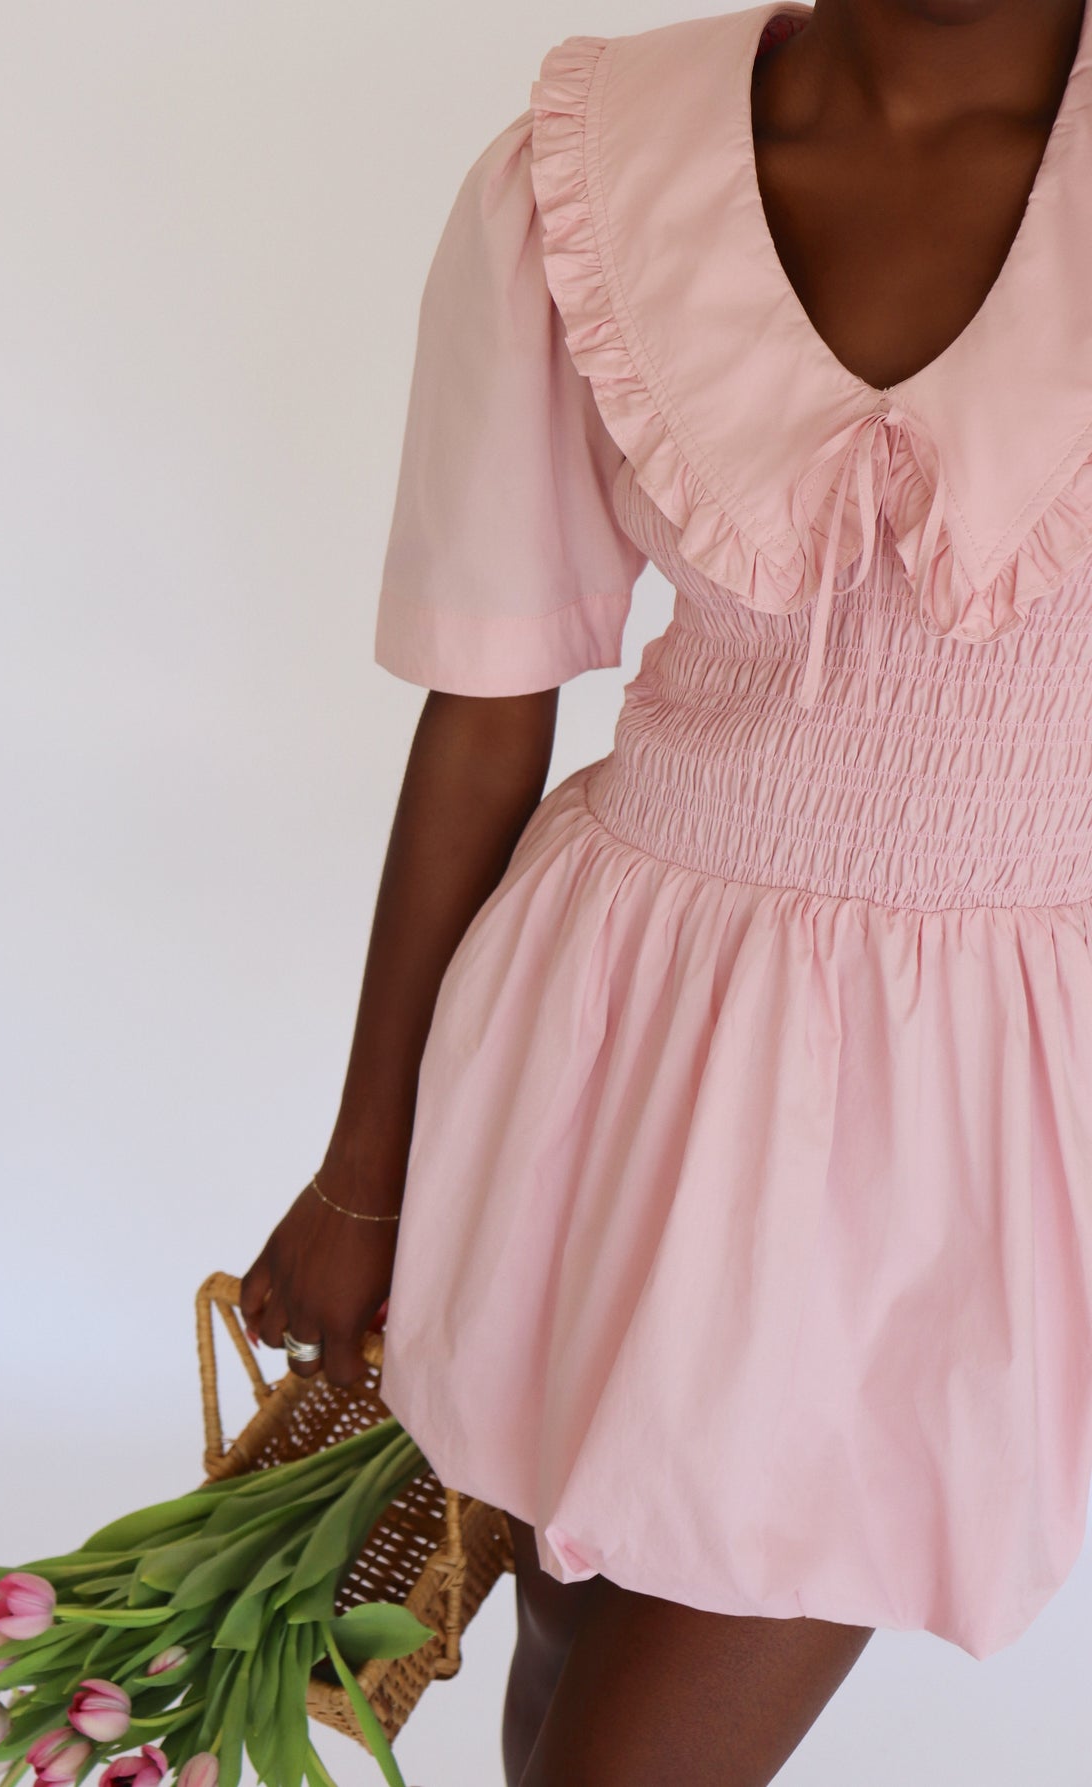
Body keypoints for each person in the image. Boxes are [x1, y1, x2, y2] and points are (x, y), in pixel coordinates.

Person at [240, 1, 1092, 1779]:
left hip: (970, 1112)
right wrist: (364, 1170)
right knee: (556, 1659)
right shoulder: (596, 162)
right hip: (619, 1040)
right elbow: (488, 712)